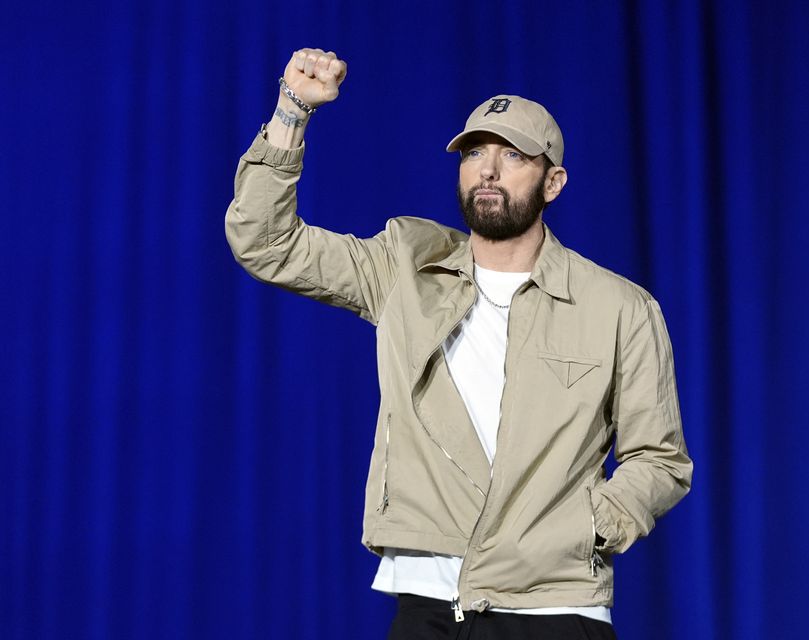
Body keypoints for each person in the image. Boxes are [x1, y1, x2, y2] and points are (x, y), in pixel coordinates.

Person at [226, 47, 693, 640]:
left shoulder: (620, 307)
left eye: (513, 156)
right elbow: (266, 244)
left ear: (553, 182)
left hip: (554, 606)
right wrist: (292, 110)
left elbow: (661, 458)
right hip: (427, 603)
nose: (488, 171)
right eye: (475, 154)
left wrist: (589, 526)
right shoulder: (402, 267)